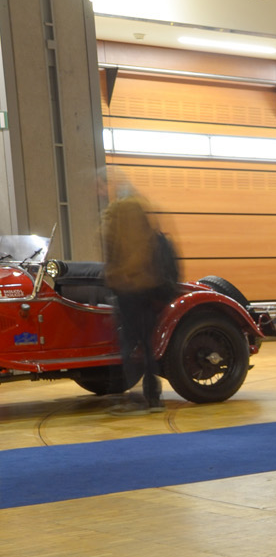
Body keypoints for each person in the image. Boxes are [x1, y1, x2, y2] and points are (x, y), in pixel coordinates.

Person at [100, 176, 174, 415]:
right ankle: (153, 398)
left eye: (101, 185)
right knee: (146, 342)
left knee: (129, 342)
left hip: (130, 286)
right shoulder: (141, 206)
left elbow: (124, 249)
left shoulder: (121, 210)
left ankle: (136, 398)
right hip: (147, 284)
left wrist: (115, 276)